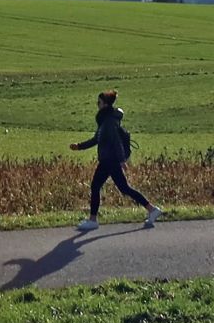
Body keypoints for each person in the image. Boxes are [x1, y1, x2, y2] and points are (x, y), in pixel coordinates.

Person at [69, 89, 162, 231]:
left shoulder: (108, 121)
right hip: (107, 160)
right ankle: (151, 209)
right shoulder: (105, 120)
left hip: (110, 160)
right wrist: (79, 146)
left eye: (99, 102)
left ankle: (93, 220)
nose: (97, 105)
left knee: (103, 187)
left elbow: (117, 141)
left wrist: (121, 160)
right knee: (120, 188)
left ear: (105, 104)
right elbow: (96, 139)